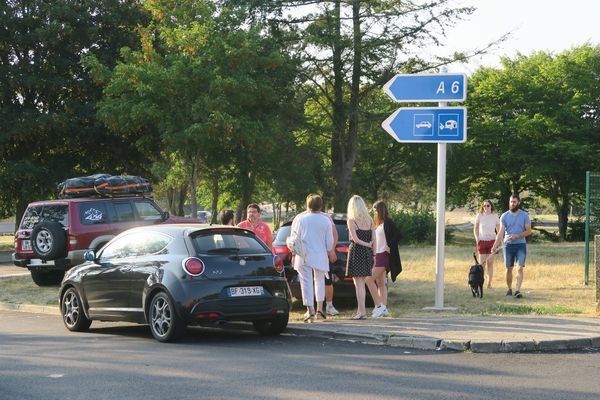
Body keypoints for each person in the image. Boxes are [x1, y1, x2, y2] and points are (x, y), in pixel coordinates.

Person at [291, 194, 334, 323]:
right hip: (320, 255)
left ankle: (310, 311)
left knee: (306, 283)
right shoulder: (326, 220)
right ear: (321, 206)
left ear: (307, 205)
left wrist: (293, 254)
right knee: (319, 281)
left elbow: (294, 238)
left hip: (303, 255)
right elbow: (329, 243)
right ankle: (320, 310)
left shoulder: (300, 219)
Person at [492, 194, 532, 299]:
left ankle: (517, 290)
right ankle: (509, 289)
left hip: (520, 245)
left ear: (518, 202)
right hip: (508, 246)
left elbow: (528, 231)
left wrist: (518, 235)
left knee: (519, 268)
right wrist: (494, 246)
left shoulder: (524, 215)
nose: (512, 204)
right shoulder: (504, 216)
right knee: (509, 268)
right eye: (511, 202)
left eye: (514, 202)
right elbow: (500, 233)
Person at [366, 200, 401, 318]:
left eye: (375, 211)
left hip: (384, 256)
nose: (374, 213)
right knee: (380, 283)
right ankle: (384, 308)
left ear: (380, 210)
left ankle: (379, 306)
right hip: (378, 255)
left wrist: (389, 245)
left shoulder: (388, 222)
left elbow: (398, 235)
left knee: (368, 279)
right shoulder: (379, 224)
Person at [346, 195, 376, 320]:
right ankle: (360, 310)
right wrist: (373, 254)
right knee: (360, 283)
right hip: (368, 254)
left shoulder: (351, 220)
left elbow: (355, 239)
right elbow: (374, 240)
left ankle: (362, 312)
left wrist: (366, 244)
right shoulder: (370, 220)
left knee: (358, 284)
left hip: (357, 252)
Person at [473, 200, 500, 288]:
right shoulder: (479, 215)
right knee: (482, 264)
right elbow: (475, 229)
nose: (486, 207)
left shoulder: (495, 216)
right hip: (482, 240)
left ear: (491, 206)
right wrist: (477, 239)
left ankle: (489, 283)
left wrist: (498, 240)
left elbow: (499, 229)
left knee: (490, 263)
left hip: (492, 241)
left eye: (488, 206)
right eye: (484, 206)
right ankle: (481, 282)